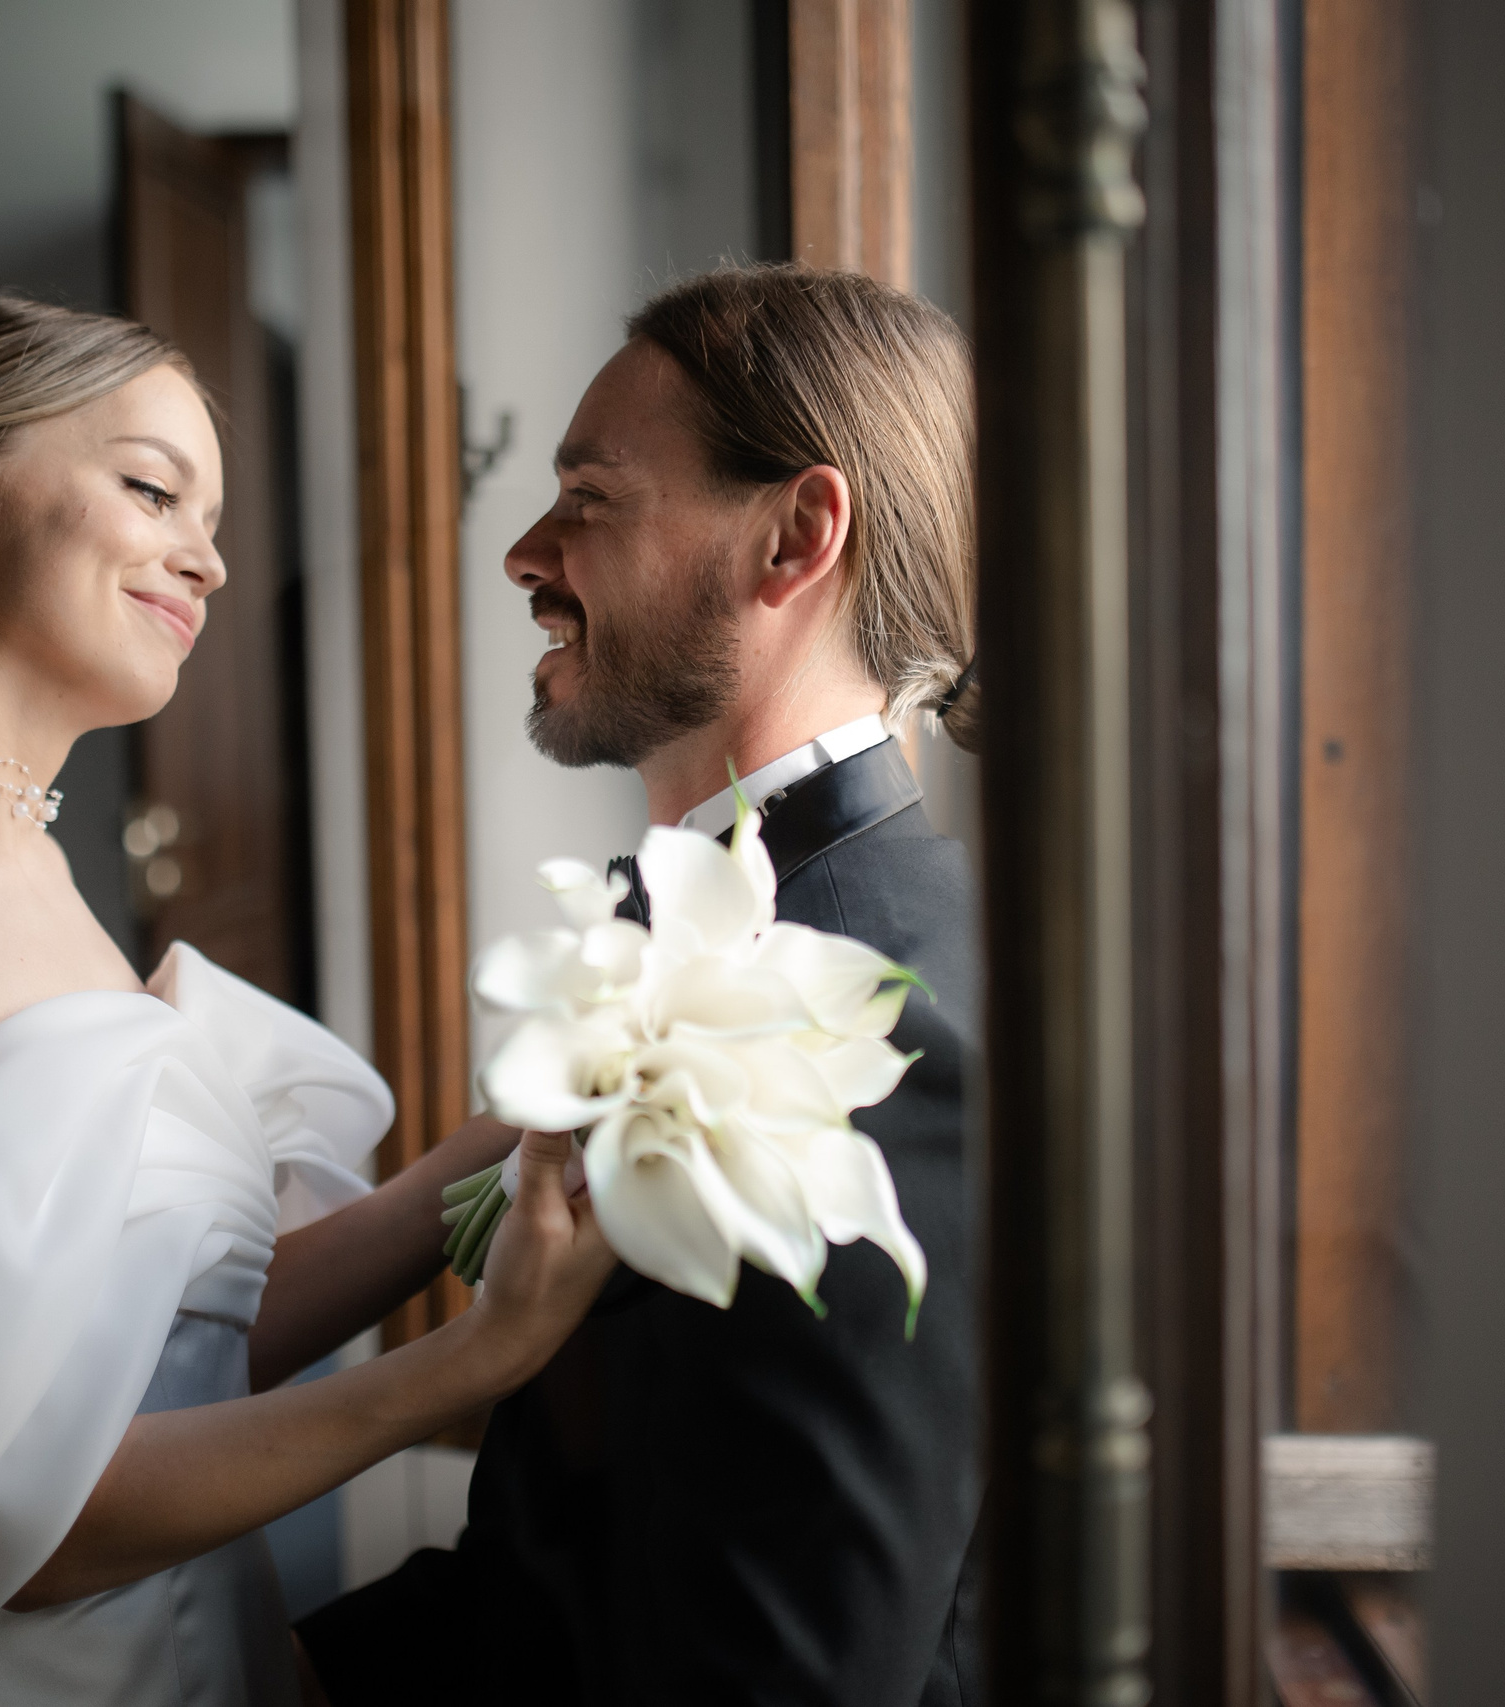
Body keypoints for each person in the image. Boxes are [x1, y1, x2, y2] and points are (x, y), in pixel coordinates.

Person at [0, 295, 614, 1707]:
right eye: (154, 491)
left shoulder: (31, 869)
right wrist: (469, 1363)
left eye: (211, 521)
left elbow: (159, 1340)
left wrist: (518, 1140)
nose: (211, 563)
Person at [297, 265, 985, 1706]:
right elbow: (582, 1560)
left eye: (589, 499)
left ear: (794, 537)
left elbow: (786, 1676)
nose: (523, 556)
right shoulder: (748, 925)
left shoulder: (860, 1024)